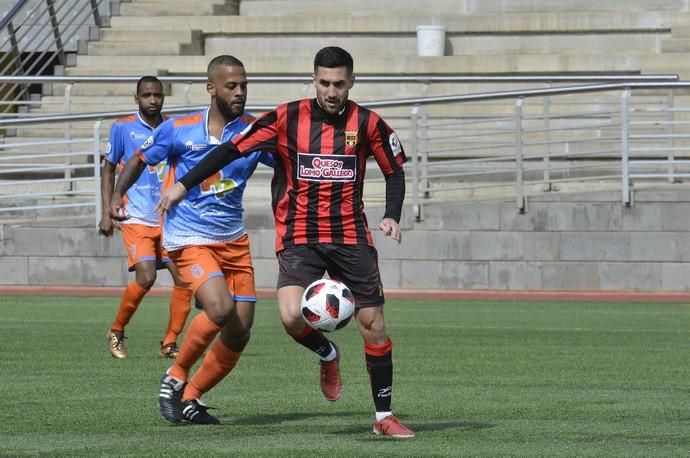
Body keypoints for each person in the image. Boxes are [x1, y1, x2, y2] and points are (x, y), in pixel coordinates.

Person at [157, 46, 415, 438]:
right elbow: (230, 149)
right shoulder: (285, 117)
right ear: (314, 80)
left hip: (350, 237)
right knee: (291, 316)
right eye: (325, 83)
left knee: (373, 324)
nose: (332, 91)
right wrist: (182, 183)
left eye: (339, 84)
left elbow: (394, 172)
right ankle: (328, 354)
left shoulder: (367, 122)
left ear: (351, 82)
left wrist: (392, 214)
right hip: (299, 237)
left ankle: (384, 416)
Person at [110, 55, 273, 425]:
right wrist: (117, 196)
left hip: (233, 240)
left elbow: (288, 164)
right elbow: (137, 159)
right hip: (187, 236)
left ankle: (191, 398)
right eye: (232, 86)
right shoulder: (180, 128)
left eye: (244, 85)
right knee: (219, 309)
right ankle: (174, 376)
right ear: (211, 88)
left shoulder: (253, 133)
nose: (240, 92)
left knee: (239, 331)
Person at [99, 76, 192, 360]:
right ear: (136, 98)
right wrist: (106, 211)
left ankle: (169, 342)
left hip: (168, 217)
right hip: (135, 216)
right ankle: (117, 330)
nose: (153, 100)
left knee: (184, 280)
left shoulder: (173, 128)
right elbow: (109, 169)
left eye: (157, 95)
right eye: (147, 95)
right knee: (147, 276)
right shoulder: (122, 127)